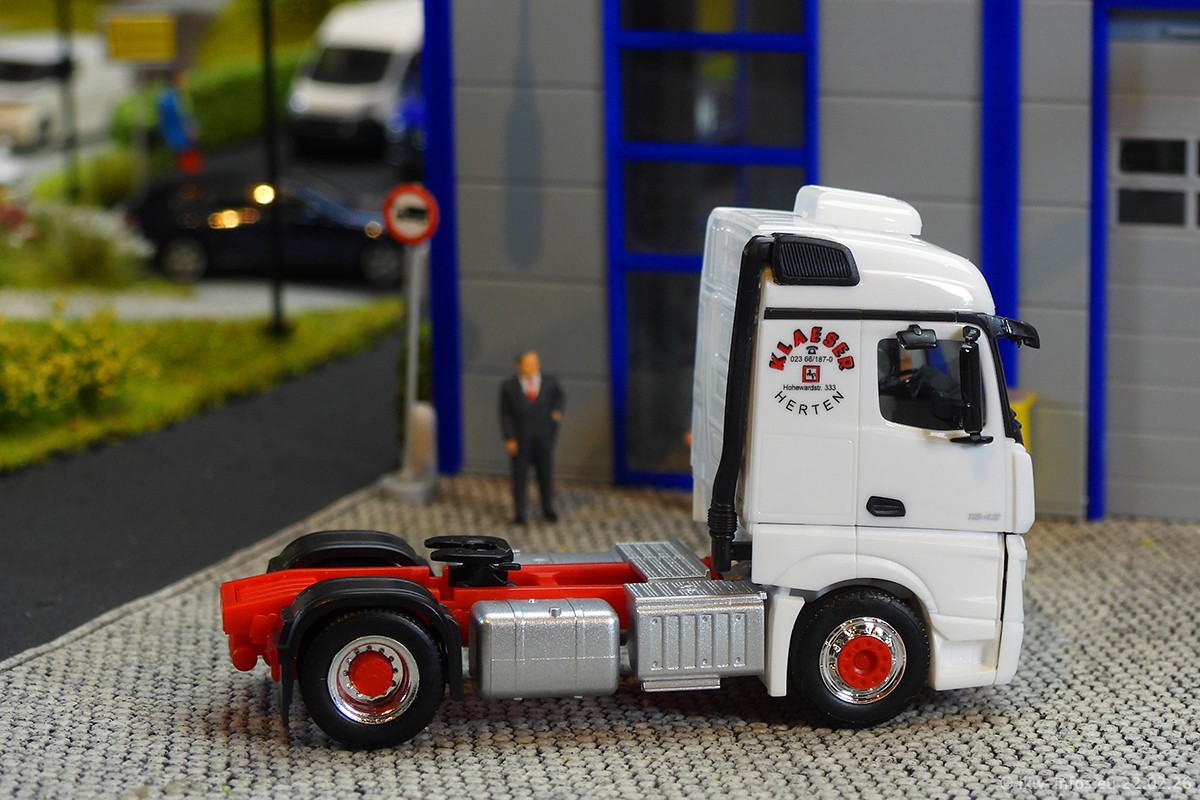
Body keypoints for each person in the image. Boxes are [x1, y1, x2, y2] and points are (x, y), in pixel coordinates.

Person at [499, 351, 565, 524]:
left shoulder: (550, 382)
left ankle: (548, 508)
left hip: (543, 437)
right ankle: (520, 511)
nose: (533, 367)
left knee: (545, 474)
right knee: (519, 476)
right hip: (521, 438)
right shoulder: (509, 386)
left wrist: (556, 413)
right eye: (528, 364)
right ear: (519, 366)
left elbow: (559, 398)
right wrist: (509, 438)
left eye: (535, 363)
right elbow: (505, 415)